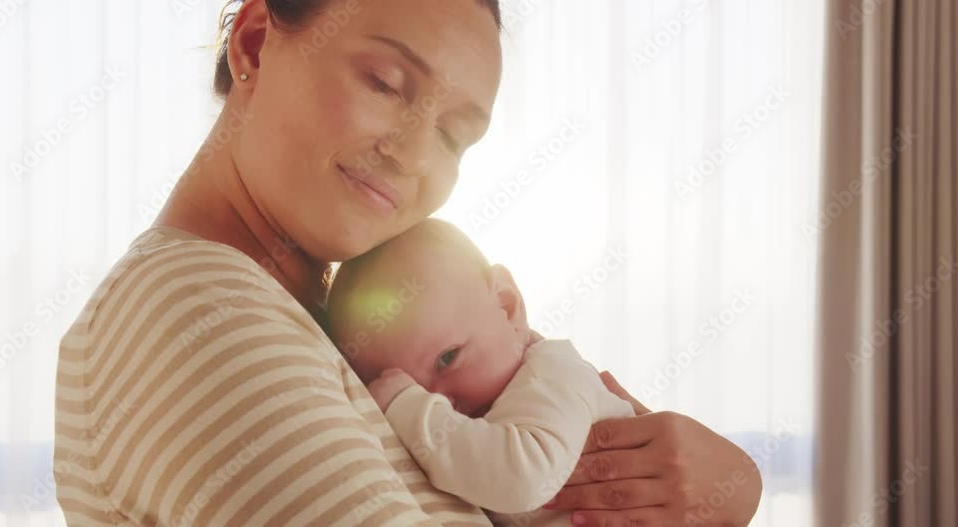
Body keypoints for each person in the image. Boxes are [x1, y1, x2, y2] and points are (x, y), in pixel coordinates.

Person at [53, 0, 762, 525]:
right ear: (256, 41)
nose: (417, 155)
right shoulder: (199, 311)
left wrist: (725, 488)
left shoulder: (311, 328)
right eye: (386, 84)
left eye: (456, 136)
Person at [326, 218, 640, 527]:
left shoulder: (554, 375)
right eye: (415, 388)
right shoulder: (474, 437)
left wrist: (405, 406)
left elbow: (524, 480)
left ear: (506, 304)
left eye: (448, 358)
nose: (441, 403)